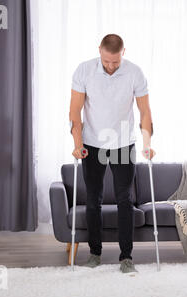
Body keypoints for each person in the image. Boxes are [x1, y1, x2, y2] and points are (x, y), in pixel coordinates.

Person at [69, 34, 155, 273]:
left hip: (122, 142)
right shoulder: (84, 71)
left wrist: (147, 142)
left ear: (123, 53)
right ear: (99, 51)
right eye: (106, 61)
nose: (110, 66)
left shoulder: (135, 73)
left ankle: (126, 257)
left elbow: (145, 112)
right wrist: (77, 143)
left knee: (124, 200)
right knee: (93, 199)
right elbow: (75, 111)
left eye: (115, 62)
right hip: (93, 143)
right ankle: (95, 253)